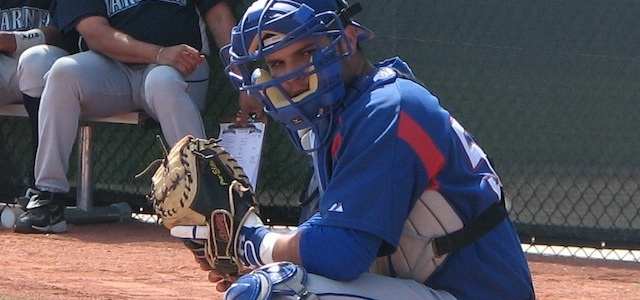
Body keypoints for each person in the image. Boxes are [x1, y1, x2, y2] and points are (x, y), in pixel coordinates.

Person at [207, 0, 537, 299]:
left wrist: (251, 241)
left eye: (306, 53)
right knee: (275, 278)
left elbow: (341, 254)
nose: (291, 76)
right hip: (428, 288)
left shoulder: (386, 109)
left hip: (473, 293)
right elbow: (325, 247)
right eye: (276, 63)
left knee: (274, 293)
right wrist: (264, 258)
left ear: (347, 41)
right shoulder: (340, 117)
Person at [13, 0, 262, 234]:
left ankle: (209, 200)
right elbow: (95, 33)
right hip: (113, 68)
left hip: (180, 68)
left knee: (162, 82)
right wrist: (159, 52)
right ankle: (48, 195)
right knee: (63, 72)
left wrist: (243, 82)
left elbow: (218, 16)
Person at [1, 0, 70, 190]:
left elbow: (65, 32)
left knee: (35, 61)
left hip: (49, 60)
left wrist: (17, 40)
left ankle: (40, 188)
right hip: (4, 64)